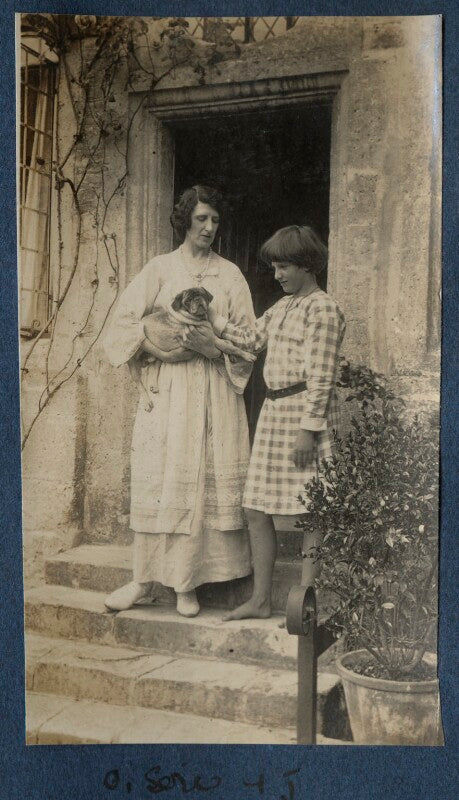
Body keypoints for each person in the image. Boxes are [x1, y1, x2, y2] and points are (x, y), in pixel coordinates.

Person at [103, 186, 255, 617]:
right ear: (185, 220)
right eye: (202, 218)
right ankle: (143, 580)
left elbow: (248, 339)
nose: (209, 228)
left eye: (215, 221)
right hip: (167, 392)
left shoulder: (229, 276)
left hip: (214, 392)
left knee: (201, 477)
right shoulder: (160, 268)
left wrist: (212, 348)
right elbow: (122, 326)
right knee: (161, 479)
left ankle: (187, 586)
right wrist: (162, 349)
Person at [209, 225, 346, 620]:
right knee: (255, 507)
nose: (277, 274)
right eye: (274, 267)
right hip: (274, 412)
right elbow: (251, 340)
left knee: (312, 510)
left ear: (307, 265)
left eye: (284, 266)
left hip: (305, 413)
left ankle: (305, 600)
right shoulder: (283, 307)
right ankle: (261, 599)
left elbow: (322, 377)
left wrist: (309, 429)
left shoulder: (322, 309)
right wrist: (212, 318)